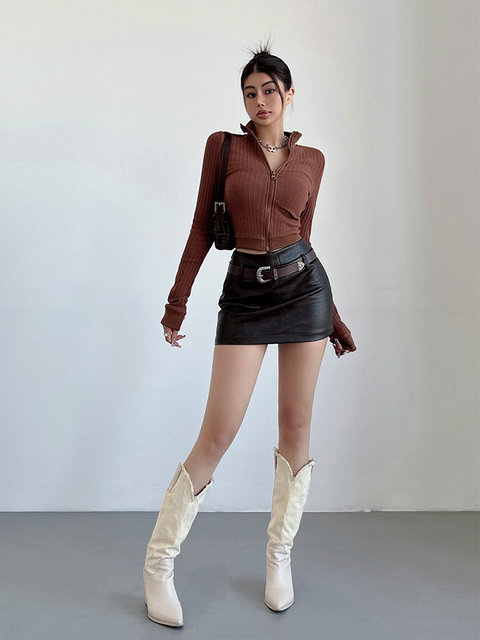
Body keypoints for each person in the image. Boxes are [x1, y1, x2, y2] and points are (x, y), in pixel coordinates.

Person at [142, 45, 357, 627]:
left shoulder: (312, 160)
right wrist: (177, 302)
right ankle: (158, 565)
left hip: (306, 292)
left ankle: (279, 559)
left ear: (289, 95)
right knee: (218, 432)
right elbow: (199, 228)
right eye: (250, 92)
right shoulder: (224, 148)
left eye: (269, 91)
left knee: (295, 425)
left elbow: (305, 236)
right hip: (244, 293)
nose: (259, 101)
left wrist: (333, 317)